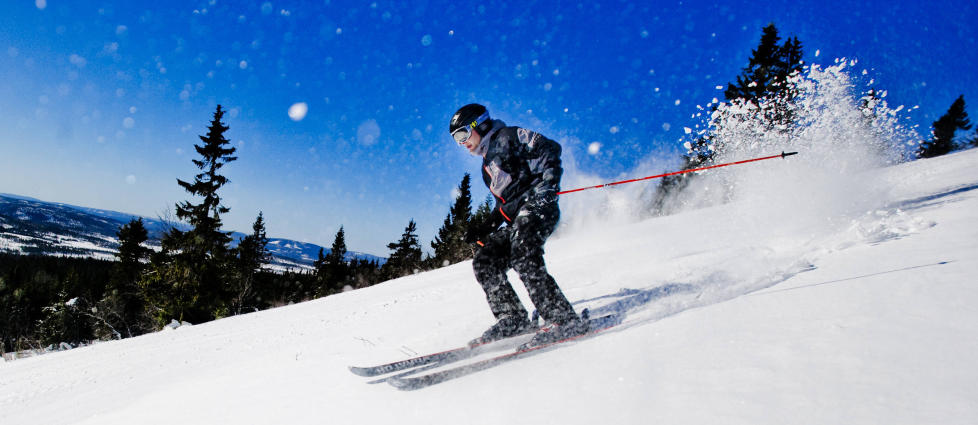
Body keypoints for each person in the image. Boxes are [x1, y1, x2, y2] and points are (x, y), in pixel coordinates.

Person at [449, 103, 588, 347]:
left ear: (479, 124)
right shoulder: (486, 167)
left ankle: (563, 319)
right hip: (518, 219)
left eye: (462, 135)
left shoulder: (508, 136)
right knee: (486, 261)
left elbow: (548, 148)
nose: (462, 143)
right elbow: (504, 205)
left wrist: (549, 185)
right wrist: (485, 226)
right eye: (456, 139)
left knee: (524, 252)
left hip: (539, 206)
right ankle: (512, 319)